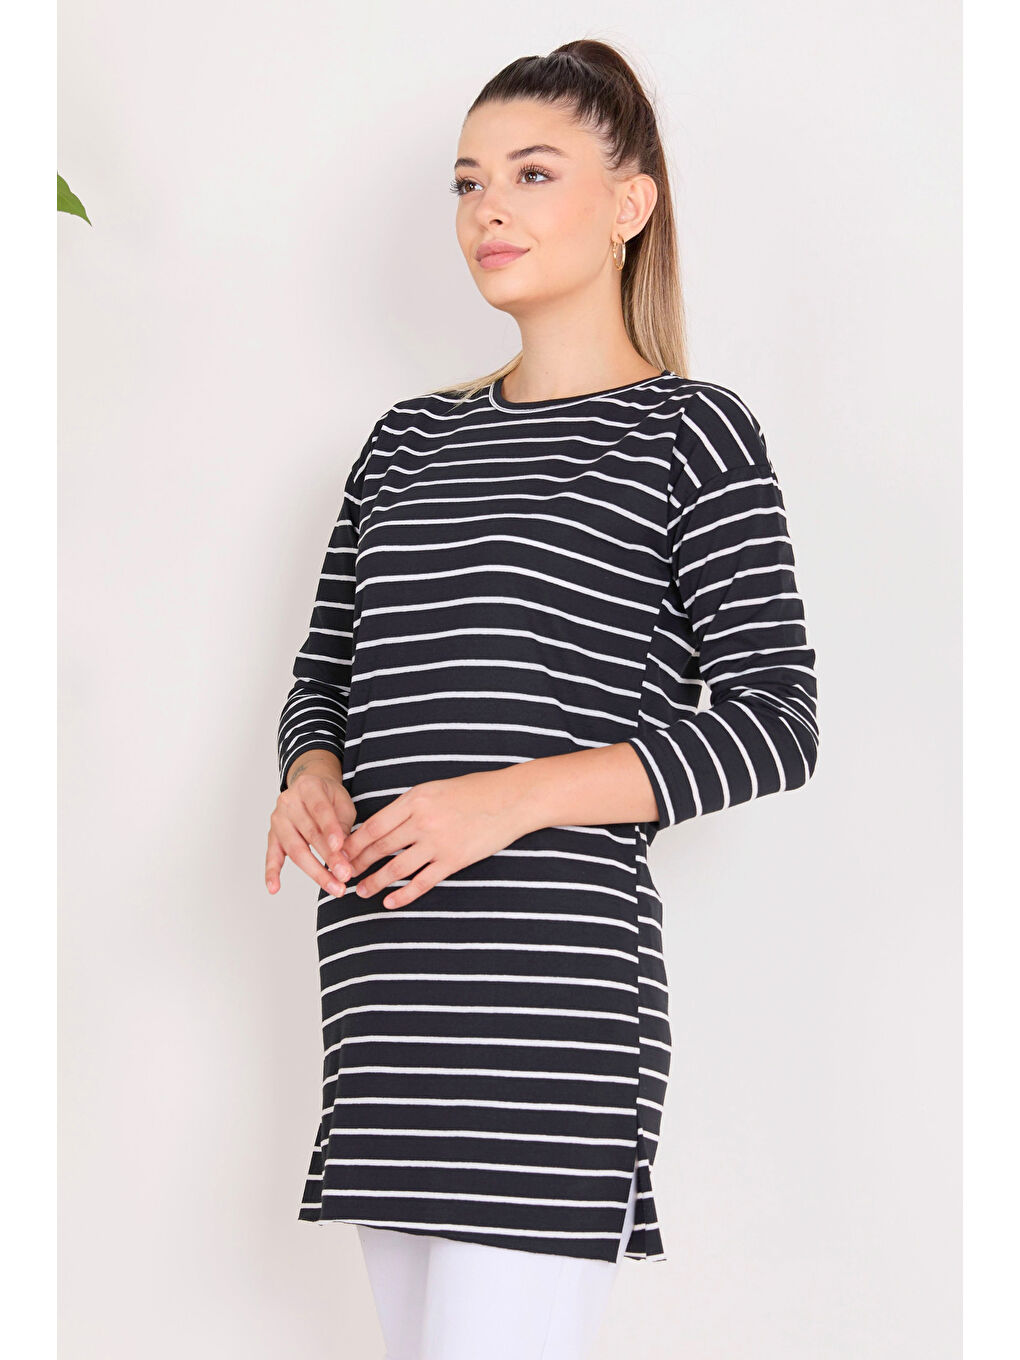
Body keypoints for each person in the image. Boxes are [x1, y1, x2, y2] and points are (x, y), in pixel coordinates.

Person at [266, 37, 820, 1360]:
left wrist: (506, 801)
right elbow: (322, 678)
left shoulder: (690, 433)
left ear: (629, 202)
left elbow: (777, 720)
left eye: (531, 173)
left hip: (548, 1010)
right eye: (468, 183)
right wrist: (309, 776)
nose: (488, 211)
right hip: (387, 988)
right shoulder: (407, 440)